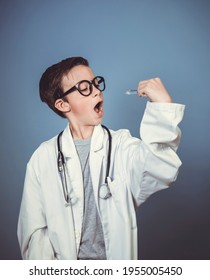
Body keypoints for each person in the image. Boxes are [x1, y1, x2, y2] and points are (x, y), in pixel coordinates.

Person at [17, 56, 185, 260]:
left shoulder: (121, 145)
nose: (97, 90)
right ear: (62, 105)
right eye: (85, 87)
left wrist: (162, 107)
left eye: (96, 83)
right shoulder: (42, 158)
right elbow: (34, 233)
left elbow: (161, 169)